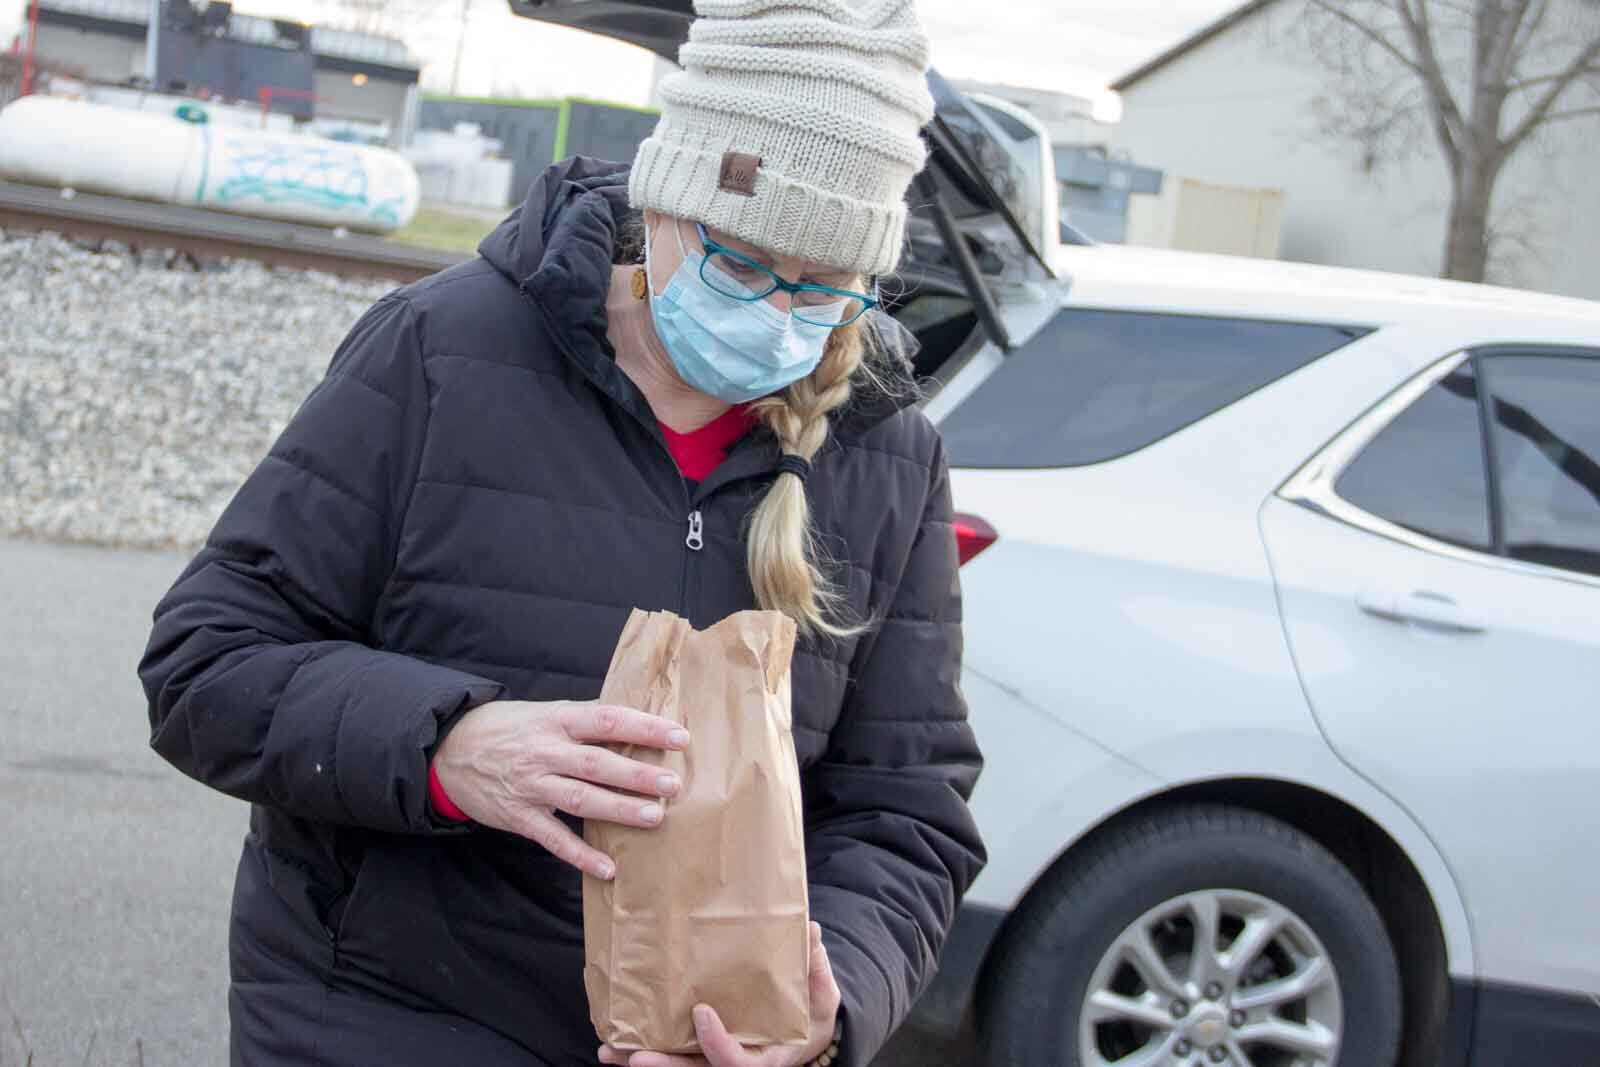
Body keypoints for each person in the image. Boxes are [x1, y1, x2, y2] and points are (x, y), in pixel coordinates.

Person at [138, 1, 984, 1064]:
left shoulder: (888, 454)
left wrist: (829, 1005)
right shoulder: (442, 352)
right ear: (663, 201)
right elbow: (202, 665)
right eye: (740, 263)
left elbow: (906, 807)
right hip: (379, 1018)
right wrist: (448, 746)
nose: (775, 313)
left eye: (822, 288)